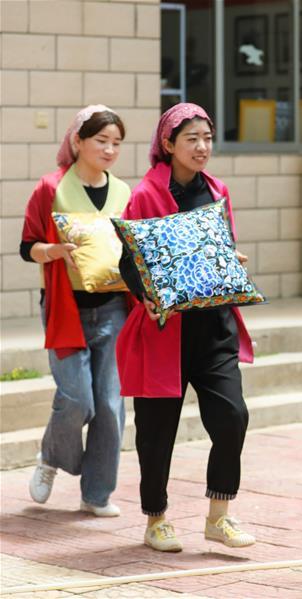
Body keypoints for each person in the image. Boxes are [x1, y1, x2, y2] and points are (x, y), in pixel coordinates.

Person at [116, 103, 256, 552]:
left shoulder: (217, 191)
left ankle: (219, 515)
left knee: (233, 417)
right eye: (192, 138)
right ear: (168, 144)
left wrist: (231, 263)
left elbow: (222, 249)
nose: (202, 147)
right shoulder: (145, 195)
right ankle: (156, 519)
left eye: (208, 138)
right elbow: (128, 263)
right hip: (164, 333)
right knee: (156, 433)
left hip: (214, 328)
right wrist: (154, 300)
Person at [20, 105, 130, 517]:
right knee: (77, 399)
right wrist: (51, 251)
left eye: (116, 143)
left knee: (110, 405)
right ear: (77, 141)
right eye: (101, 141)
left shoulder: (124, 192)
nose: (109, 149)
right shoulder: (51, 188)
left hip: (115, 309)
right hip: (66, 309)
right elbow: (26, 245)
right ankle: (52, 456)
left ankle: (97, 494)